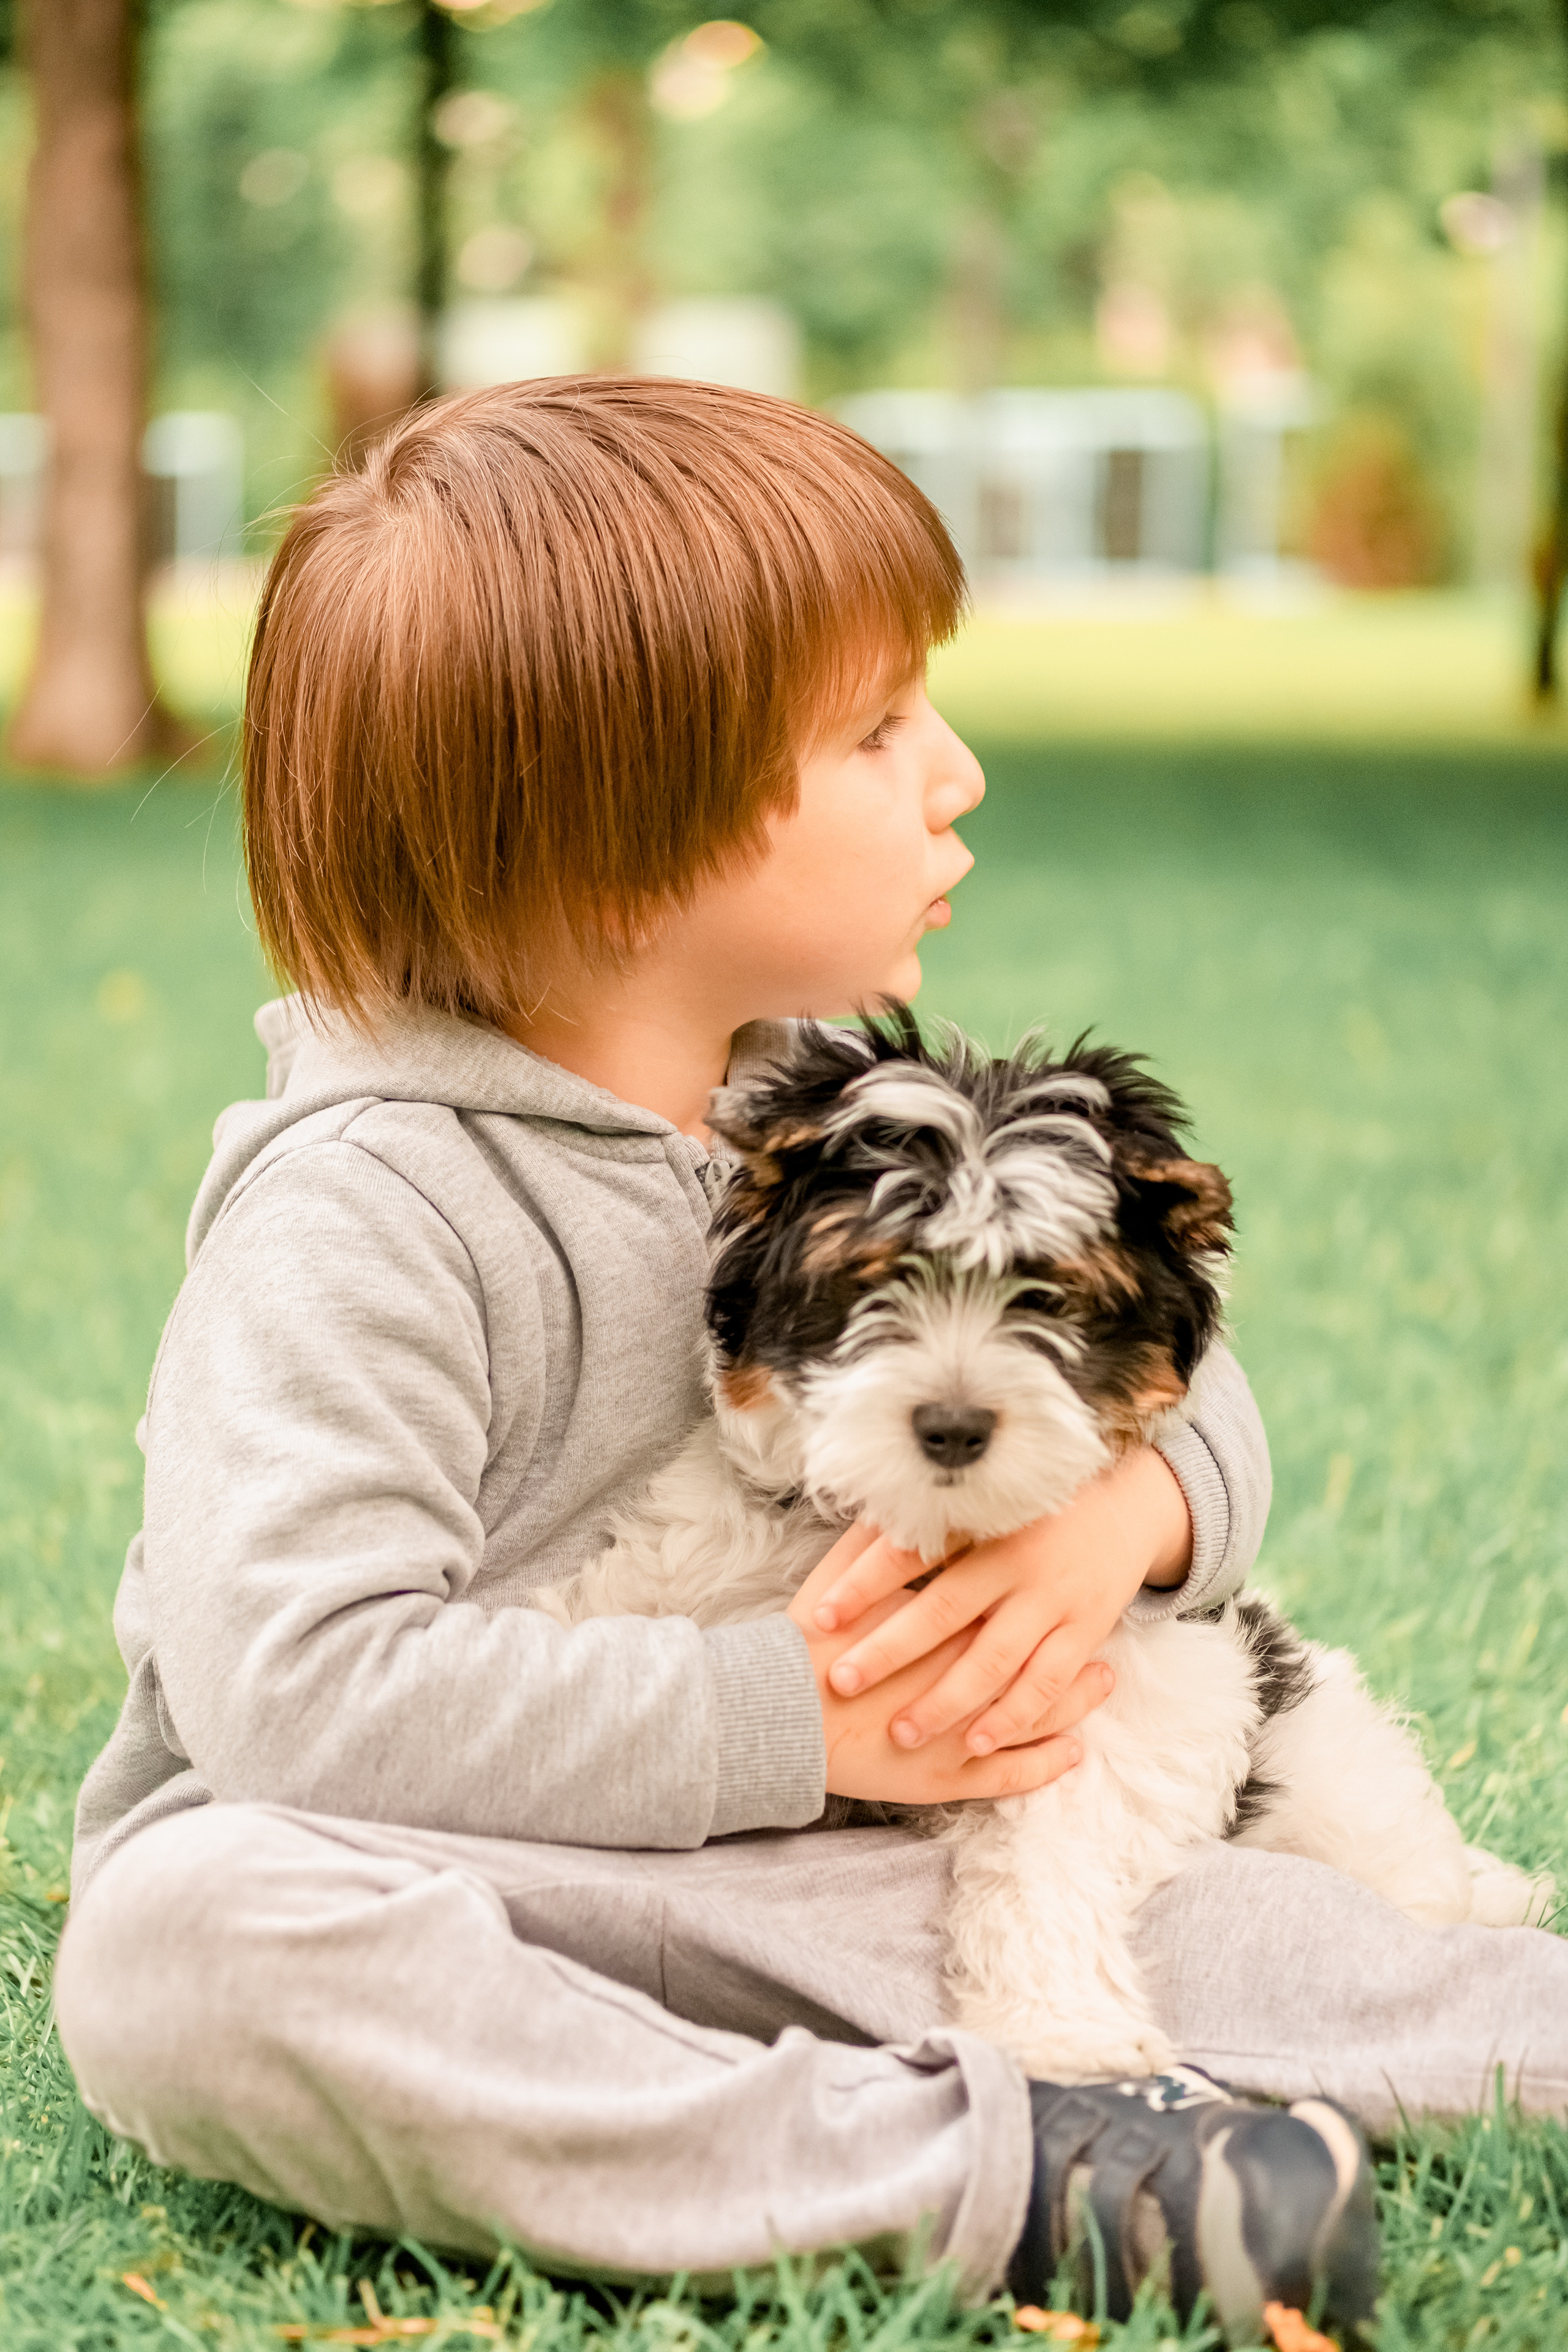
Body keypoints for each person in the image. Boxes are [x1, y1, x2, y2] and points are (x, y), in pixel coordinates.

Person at [51, 380, 1566, 2340]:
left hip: (827, 1880)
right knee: (188, 1951)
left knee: (1255, 1935)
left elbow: (1162, 1349)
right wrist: (802, 1728)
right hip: (454, 1883)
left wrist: (1122, 1519)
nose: (957, 776)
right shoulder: (365, 1216)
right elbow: (295, 1692)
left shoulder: (818, 1094)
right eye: (876, 732)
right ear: (614, 845)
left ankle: (1296, 2057)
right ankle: (1014, 2180)